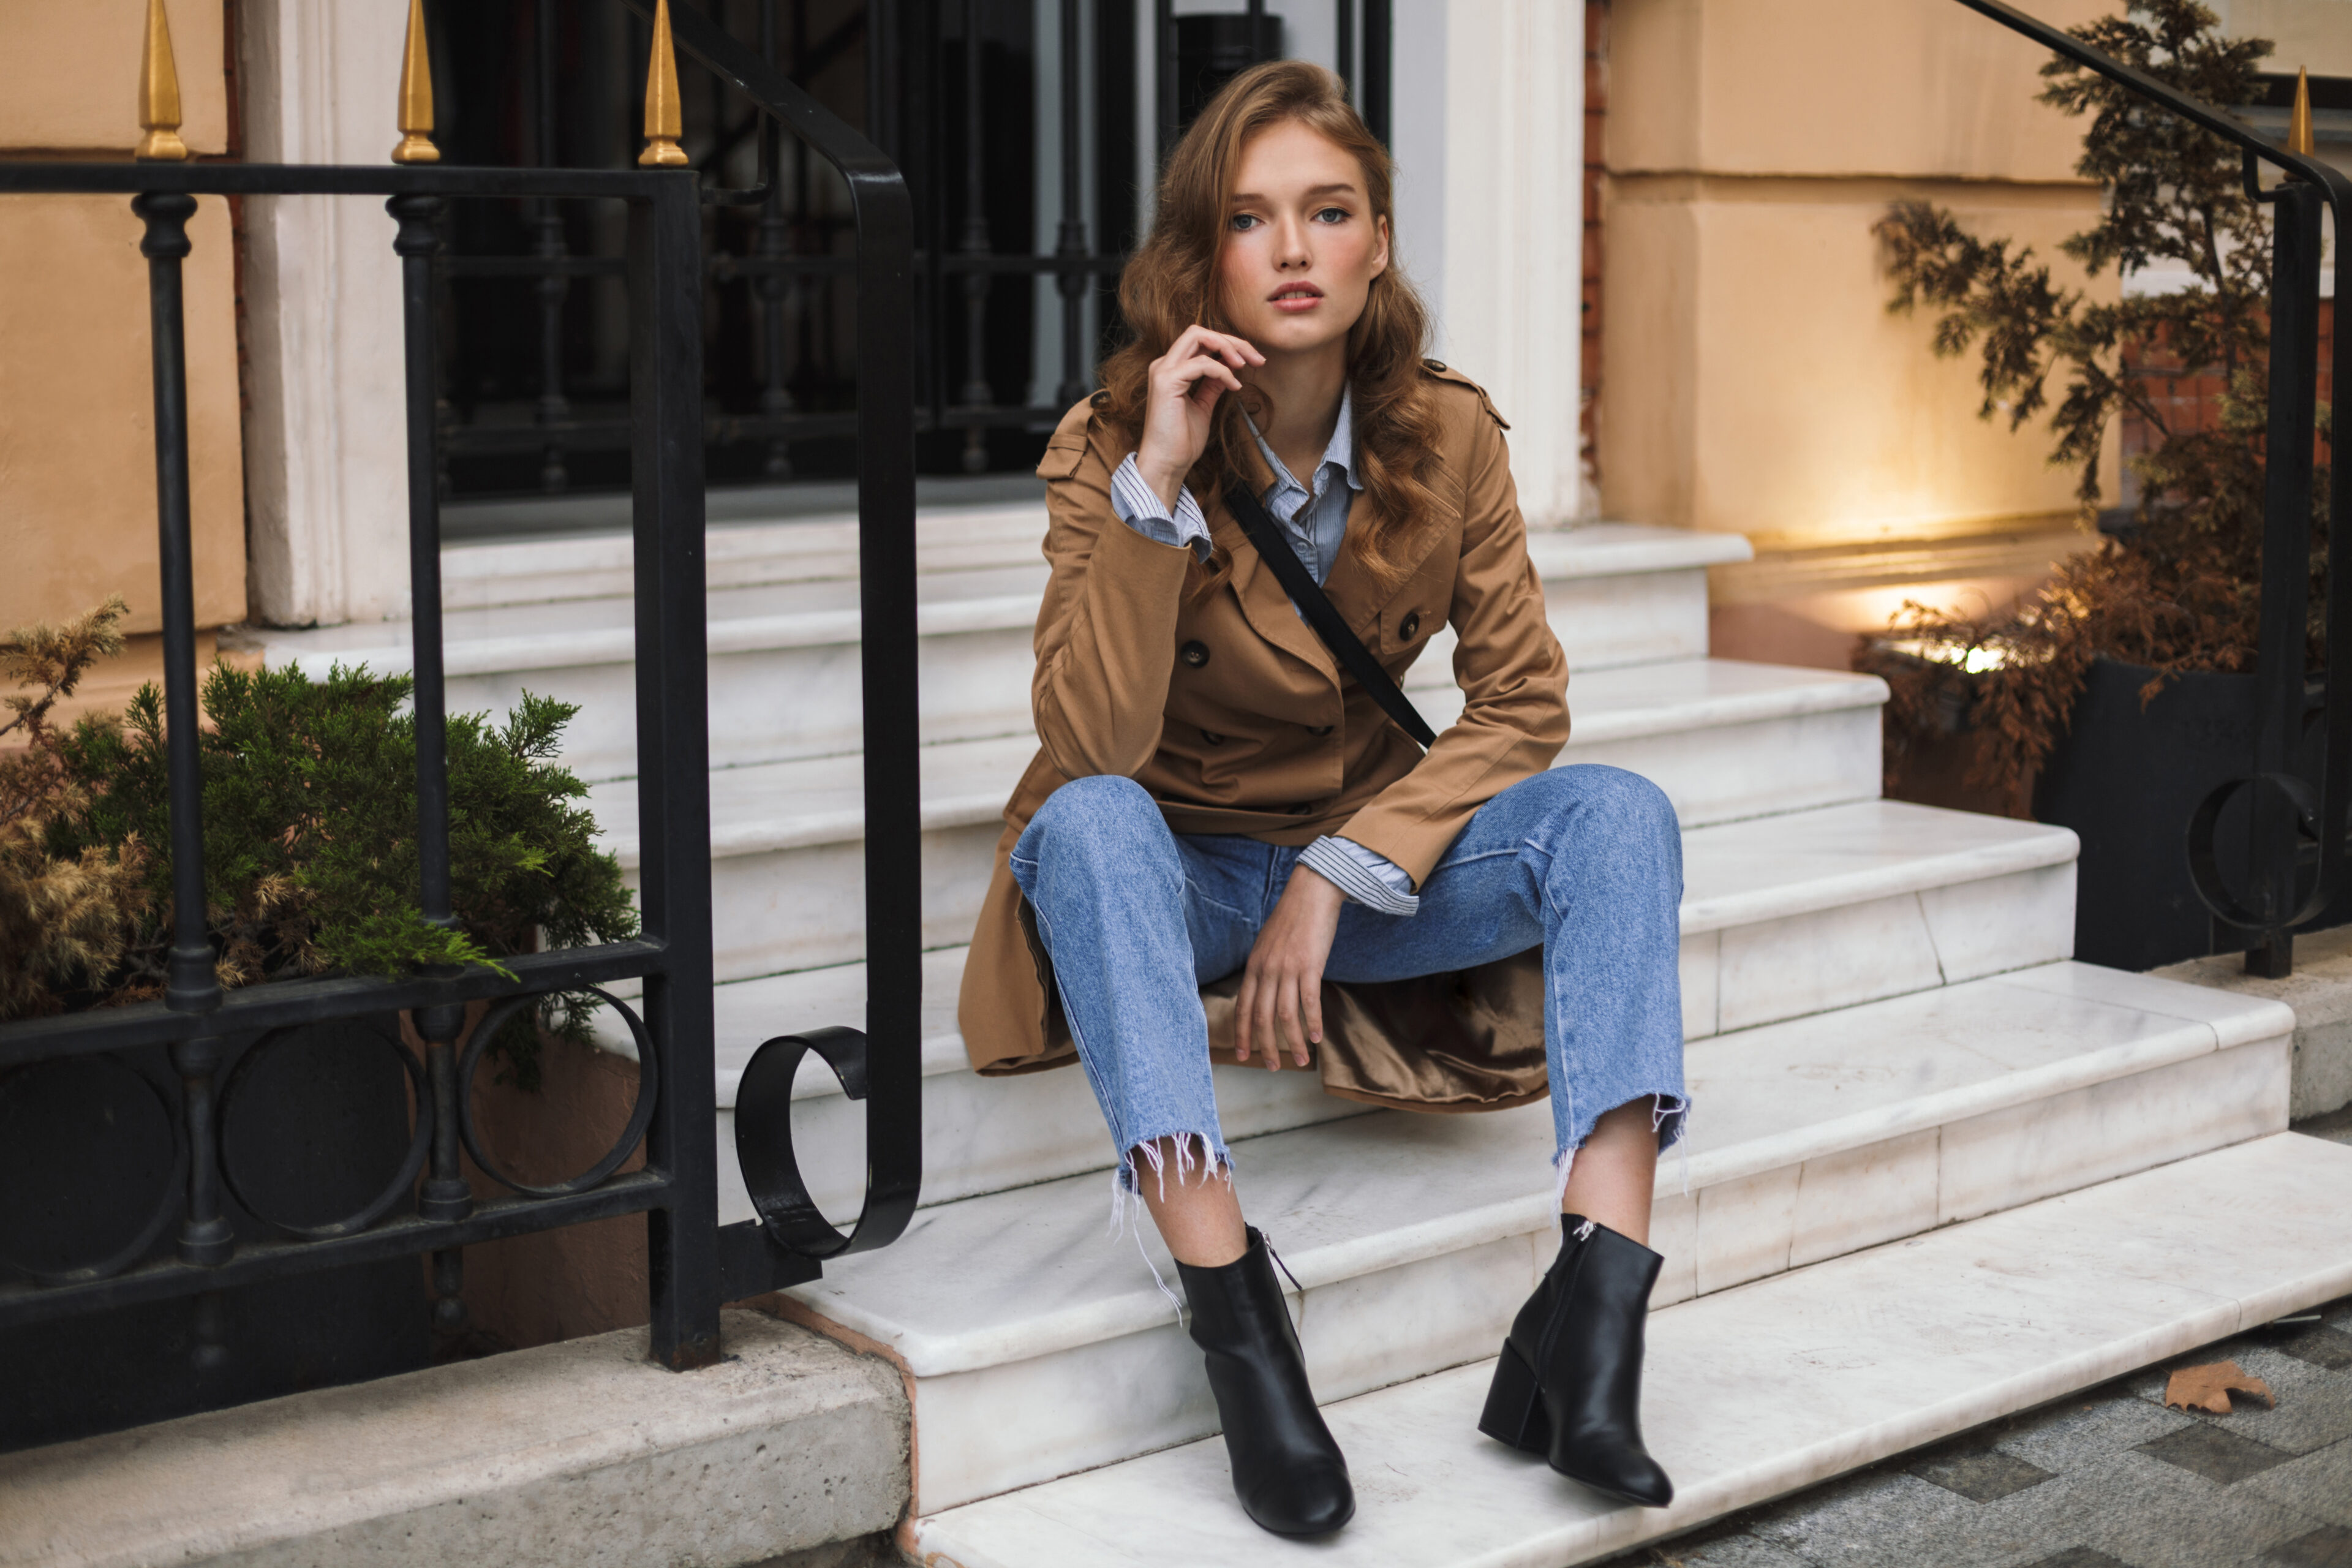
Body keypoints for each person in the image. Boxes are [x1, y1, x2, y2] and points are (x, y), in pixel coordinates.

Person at [956, 59, 1688, 1537]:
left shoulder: (1448, 434)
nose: (1293, 250)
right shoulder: (1111, 447)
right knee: (1081, 822)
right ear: (1199, 257)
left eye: (1329, 211)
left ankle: (1594, 1324)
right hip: (1180, 866)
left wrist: (1343, 863)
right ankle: (1242, 1333)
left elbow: (1525, 701)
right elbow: (1092, 740)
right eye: (1251, 217)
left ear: (1375, 244)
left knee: (1620, 813)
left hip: (1358, 875)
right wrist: (1162, 481)